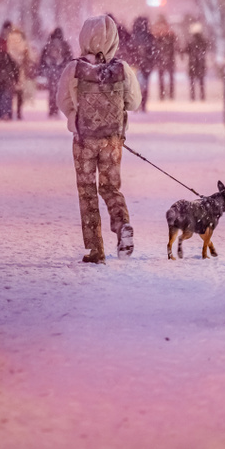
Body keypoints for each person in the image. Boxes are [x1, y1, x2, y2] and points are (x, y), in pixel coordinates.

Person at [56, 15, 141, 264]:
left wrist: (75, 115)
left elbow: (63, 101)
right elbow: (134, 103)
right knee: (110, 187)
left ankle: (96, 250)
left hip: (84, 140)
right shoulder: (122, 69)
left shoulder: (74, 68)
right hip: (113, 141)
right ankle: (122, 223)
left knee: (87, 192)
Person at [38, 27, 72, 118]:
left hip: (50, 70)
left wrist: (42, 69)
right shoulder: (64, 44)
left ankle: (51, 109)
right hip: (60, 70)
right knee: (58, 90)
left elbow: (42, 58)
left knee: (51, 90)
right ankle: (56, 109)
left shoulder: (49, 44)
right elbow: (69, 58)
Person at [2, 21, 32, 120]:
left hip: (10, 67)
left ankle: (8, 112)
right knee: (20, 91)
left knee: (9, 90)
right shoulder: (22, 39)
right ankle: (19, 112)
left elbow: (7, 52)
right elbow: (27, 53)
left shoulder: (8, 38)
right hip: (20, 67)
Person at [129, 16, 155, 113]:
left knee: (136, 85)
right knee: (144, 85)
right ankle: (143, 105)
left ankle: (137, 105)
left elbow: (130, 50)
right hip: (146, 65)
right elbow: (153, 51)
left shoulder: (133, 36)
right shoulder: (149, 36)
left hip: (136, 64)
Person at [151, 15, 177, 100]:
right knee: (170, 77)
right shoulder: (170, 33)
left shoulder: (157, 33)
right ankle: (171, 94)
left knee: (161, 77)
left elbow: (154, 47)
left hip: (161, 58)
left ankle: (162, 94)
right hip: (169, 58)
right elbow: (174, 45)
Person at [185, 27, 210, 101]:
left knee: (192, 81)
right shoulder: (203, 41)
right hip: (200, 63)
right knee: (201, 81)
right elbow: (206, 48)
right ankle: (202, 96)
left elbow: (186, 50)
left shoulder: (190, 41)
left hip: (192, 63)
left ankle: (193, 96)